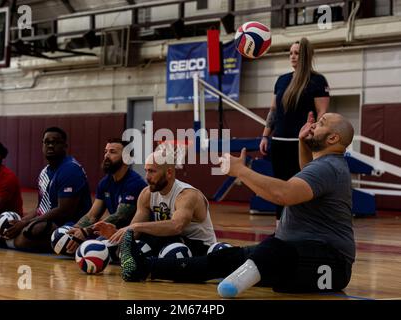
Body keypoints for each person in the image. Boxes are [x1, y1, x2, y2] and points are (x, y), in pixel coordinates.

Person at [120, 113, 355, 296]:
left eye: (321, 123)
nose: (314, 125)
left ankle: (233, 285)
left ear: (333, 138)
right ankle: (146, 267)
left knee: (273, 249)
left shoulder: (329, 167)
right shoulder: (326, 165)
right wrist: (302, 143)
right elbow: (305, 175)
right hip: (299, 253)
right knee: (228, 258)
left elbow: (284, 195)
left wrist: (241, 171)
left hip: (329, 262)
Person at [0, 127, 92, 252]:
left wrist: (25, 224)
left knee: (36, 229)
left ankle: (9, 242)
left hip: (71, 224)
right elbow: (40, 209)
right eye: (47, 142)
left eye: (55, 142)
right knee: (21, 223)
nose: (50, 145)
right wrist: (21, 221)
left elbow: (64, 210)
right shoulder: (44, 172)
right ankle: (10, 237)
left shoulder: (70, 169)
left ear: (65, 145)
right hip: (53, 222)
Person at [98, 145, 217, 257]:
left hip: (200, 249)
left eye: (152, 171)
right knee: (111, 244)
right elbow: (134, 231)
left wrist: (136, 227)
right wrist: (118, 234)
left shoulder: (187, 195)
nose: (147, 177)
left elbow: (176, 226)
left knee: (157, 241)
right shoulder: (146, 194)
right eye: (146, 171)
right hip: (171, 242)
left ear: (169, 173)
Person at [259, 37, 330, 225]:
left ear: (305, 55)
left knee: (302, 187)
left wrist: (317, 133)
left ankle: (303, 227)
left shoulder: (317, 80)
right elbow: (273, 110)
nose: (292, 56)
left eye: (296, 53)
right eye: (290, 53)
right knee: (280, 186)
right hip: (279, 143)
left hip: (303, 144)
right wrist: (266, 135)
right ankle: (279, 227)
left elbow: (322, 112)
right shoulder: (281, 80)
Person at [65, 138, 147, 254]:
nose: (106, 155)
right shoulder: (105, 183)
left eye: (112, 152)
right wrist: (75, 229)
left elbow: (120, 217)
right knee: (69, 237)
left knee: (94, 247)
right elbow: (92, 215)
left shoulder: (135, 183)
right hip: (110, 232)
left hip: (133, 236)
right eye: (105, 151)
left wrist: (86, 231)